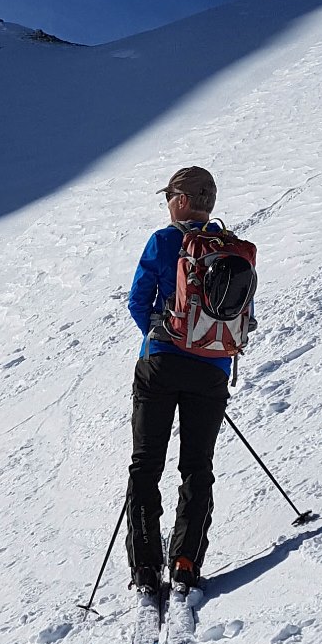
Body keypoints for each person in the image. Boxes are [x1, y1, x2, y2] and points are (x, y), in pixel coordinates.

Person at [125, 164, 232, 598]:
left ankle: (147, 569)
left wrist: (161, 333)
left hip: (161, 365)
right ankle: (186, 562)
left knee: (146, 466)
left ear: (182, 201)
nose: (168, 204)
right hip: (211, 370)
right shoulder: (229, 249)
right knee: (197, 468)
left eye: (170, 196)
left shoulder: (165, 240)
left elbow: (138, 301)